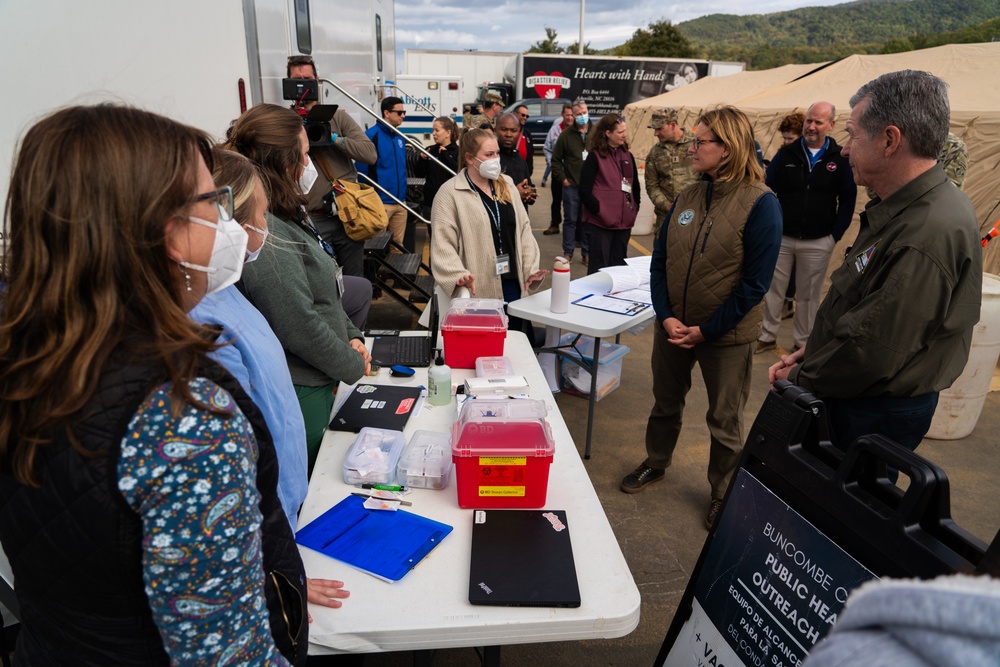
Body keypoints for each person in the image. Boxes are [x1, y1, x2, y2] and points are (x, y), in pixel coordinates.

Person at [0, 104, 307, 664]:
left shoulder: (28, 361)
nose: (223, 220)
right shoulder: (184, 416)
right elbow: (227, 656)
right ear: (170, 235)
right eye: (212, 202)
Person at [769, 70, 982, 456]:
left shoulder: (926, 230)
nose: (845, 149)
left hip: (868, 410)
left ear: (889, 140)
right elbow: (866, 313)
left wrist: (800, 377)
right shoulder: (909, 208)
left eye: (852, 134)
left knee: (839, 507)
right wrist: (815, 350)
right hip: (860, 397)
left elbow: (873, 351)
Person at [188, 148, 351, 613]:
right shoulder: (202, 326)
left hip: (284, 520)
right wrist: (274, 569)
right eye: (259, 217)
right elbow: (227, 485)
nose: (263, 231)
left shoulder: (223, 294)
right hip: (269, 538)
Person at [620, 106, 782, 532]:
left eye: (701, 141)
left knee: (725, 419)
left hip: (725, 336)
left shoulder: (761, 204)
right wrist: (667, 315)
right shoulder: (689, 196)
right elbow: (660, 262)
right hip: (674, 327)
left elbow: (754, 284)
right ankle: (656, 462)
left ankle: (723, 491)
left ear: (726, 148)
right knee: (665, 402)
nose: (692, 147)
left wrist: (707, 330)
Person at [225, 104, 371, 473]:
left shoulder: (286, 209)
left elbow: (325, 290)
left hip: (319, 378)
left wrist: (351, 333)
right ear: (284, 163)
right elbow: (296, 321)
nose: (310, 164)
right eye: (305, 155)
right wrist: (351, 363)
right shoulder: (265, 229)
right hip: (303, 388)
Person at [757, 101, 856, 355]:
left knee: (809, 296)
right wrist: (771, 227)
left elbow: (847, 199)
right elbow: (768, 190)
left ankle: (802, 343)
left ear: (831, 125)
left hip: (818, 240)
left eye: (818, 122)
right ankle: (767, 336)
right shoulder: (787, 154)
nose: (811, 126)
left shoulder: (840, 157)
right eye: (808, 121)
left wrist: (834, 235)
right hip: (782, 237)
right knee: (773, 290)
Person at [430, 129, 547, 325]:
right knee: (485, 348)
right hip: (477, 290)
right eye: (489, 155)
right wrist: (458, 276)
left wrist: (530, 269)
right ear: (469, 158)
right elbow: (443, 245)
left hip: (513, 284)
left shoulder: (507, 184)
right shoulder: (449, 193)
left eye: (497, 153)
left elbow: (524, 230)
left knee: (517, 343)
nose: (496, 160)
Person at [287, 55, 377, 277]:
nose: (303, 85)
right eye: (296, 80)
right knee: (321, 280)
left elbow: (370, 154)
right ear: (287, 83)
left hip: (348, 215)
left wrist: (334, 138)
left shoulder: (337, 117)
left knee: (354, 278)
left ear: (317, 81)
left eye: (307, 79)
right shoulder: (283, 122)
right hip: (312, 218)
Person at [579, 113, 640, 274]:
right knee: (599, 268)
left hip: (623, 224)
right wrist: (599, 210)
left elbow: (635, 187)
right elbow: (584, 190)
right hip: (600, 224)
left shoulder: (628, 156)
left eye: (624, 131)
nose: (624, 135)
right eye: (620, 132)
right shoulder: (595, 157)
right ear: (607, 133)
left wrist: (633, 209)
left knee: (619, 267)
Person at [357, 96, 408, 248]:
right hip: (380, 203)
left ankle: (392, 274)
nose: (403, 116)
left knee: (398, 248)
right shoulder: (372, 136)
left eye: (403, 112)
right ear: (387, 113)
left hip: (400, 202)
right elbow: (361, 170)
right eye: (399, 113)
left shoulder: (399, 137)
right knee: (376, 248)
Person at [644, 108, 697, 238]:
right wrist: (666, 205)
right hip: (665, 218)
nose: (655, 133)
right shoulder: (655, 153)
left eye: (659, 129)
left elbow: (707, 178)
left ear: (672, 125)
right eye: (654, 129)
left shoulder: (695, 145)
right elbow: (652, 185)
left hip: (694, 214)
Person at [551, 98, 593, 264]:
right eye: (578, 114)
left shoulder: (595, 132)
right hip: (572, 187)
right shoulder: (566, 136)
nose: (582, 116)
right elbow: (555, 160)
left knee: (587, 221)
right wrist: (563, 180)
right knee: (570, 220)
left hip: (590, 187)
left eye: (584, 113)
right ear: (573, 116)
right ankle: (568, 252)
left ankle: (587, 252)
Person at [413, 115, 460, 219]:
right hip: (431, 200)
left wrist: (446, 155)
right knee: (431, 232)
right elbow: (419, 174)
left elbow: (457, 171)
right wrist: (422, 159)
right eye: (433, 130)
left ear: (448, 133)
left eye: (437, 130)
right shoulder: (430, 150)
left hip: (450, 201)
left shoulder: (457, 151)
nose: (433, 134)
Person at [542, 103, 574, 234]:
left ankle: (572, 230)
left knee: (572, 201)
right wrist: (553, 165)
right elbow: (547, 148)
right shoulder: (555, 130)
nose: (570, 117)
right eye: (567, 115)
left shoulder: (579, 131)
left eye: (572, 115)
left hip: (573, 173)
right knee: (556, 200)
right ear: (562, 115)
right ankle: (554, 224)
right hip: (558, 172)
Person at [496, 112, 537, 206]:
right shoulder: (491, 160)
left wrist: (529, 194)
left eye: (513, 130)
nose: (509, 134)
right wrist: (514, 194)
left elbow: (528, 187)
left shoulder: (520, 160)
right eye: (504, 129)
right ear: (495, 130)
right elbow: (489, 196)